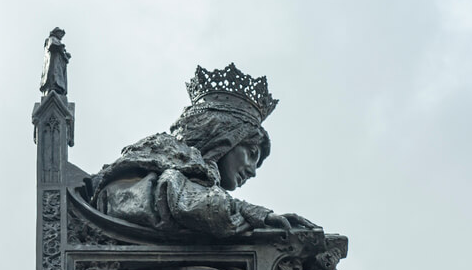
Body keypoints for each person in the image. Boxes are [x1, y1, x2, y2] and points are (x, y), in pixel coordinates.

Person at [90, 63, 313, 236]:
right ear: (226, 135)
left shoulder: (199, 183)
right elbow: (158, 200)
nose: (252, 171)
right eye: (252, 153)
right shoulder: (157, 154)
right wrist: (255, 215)